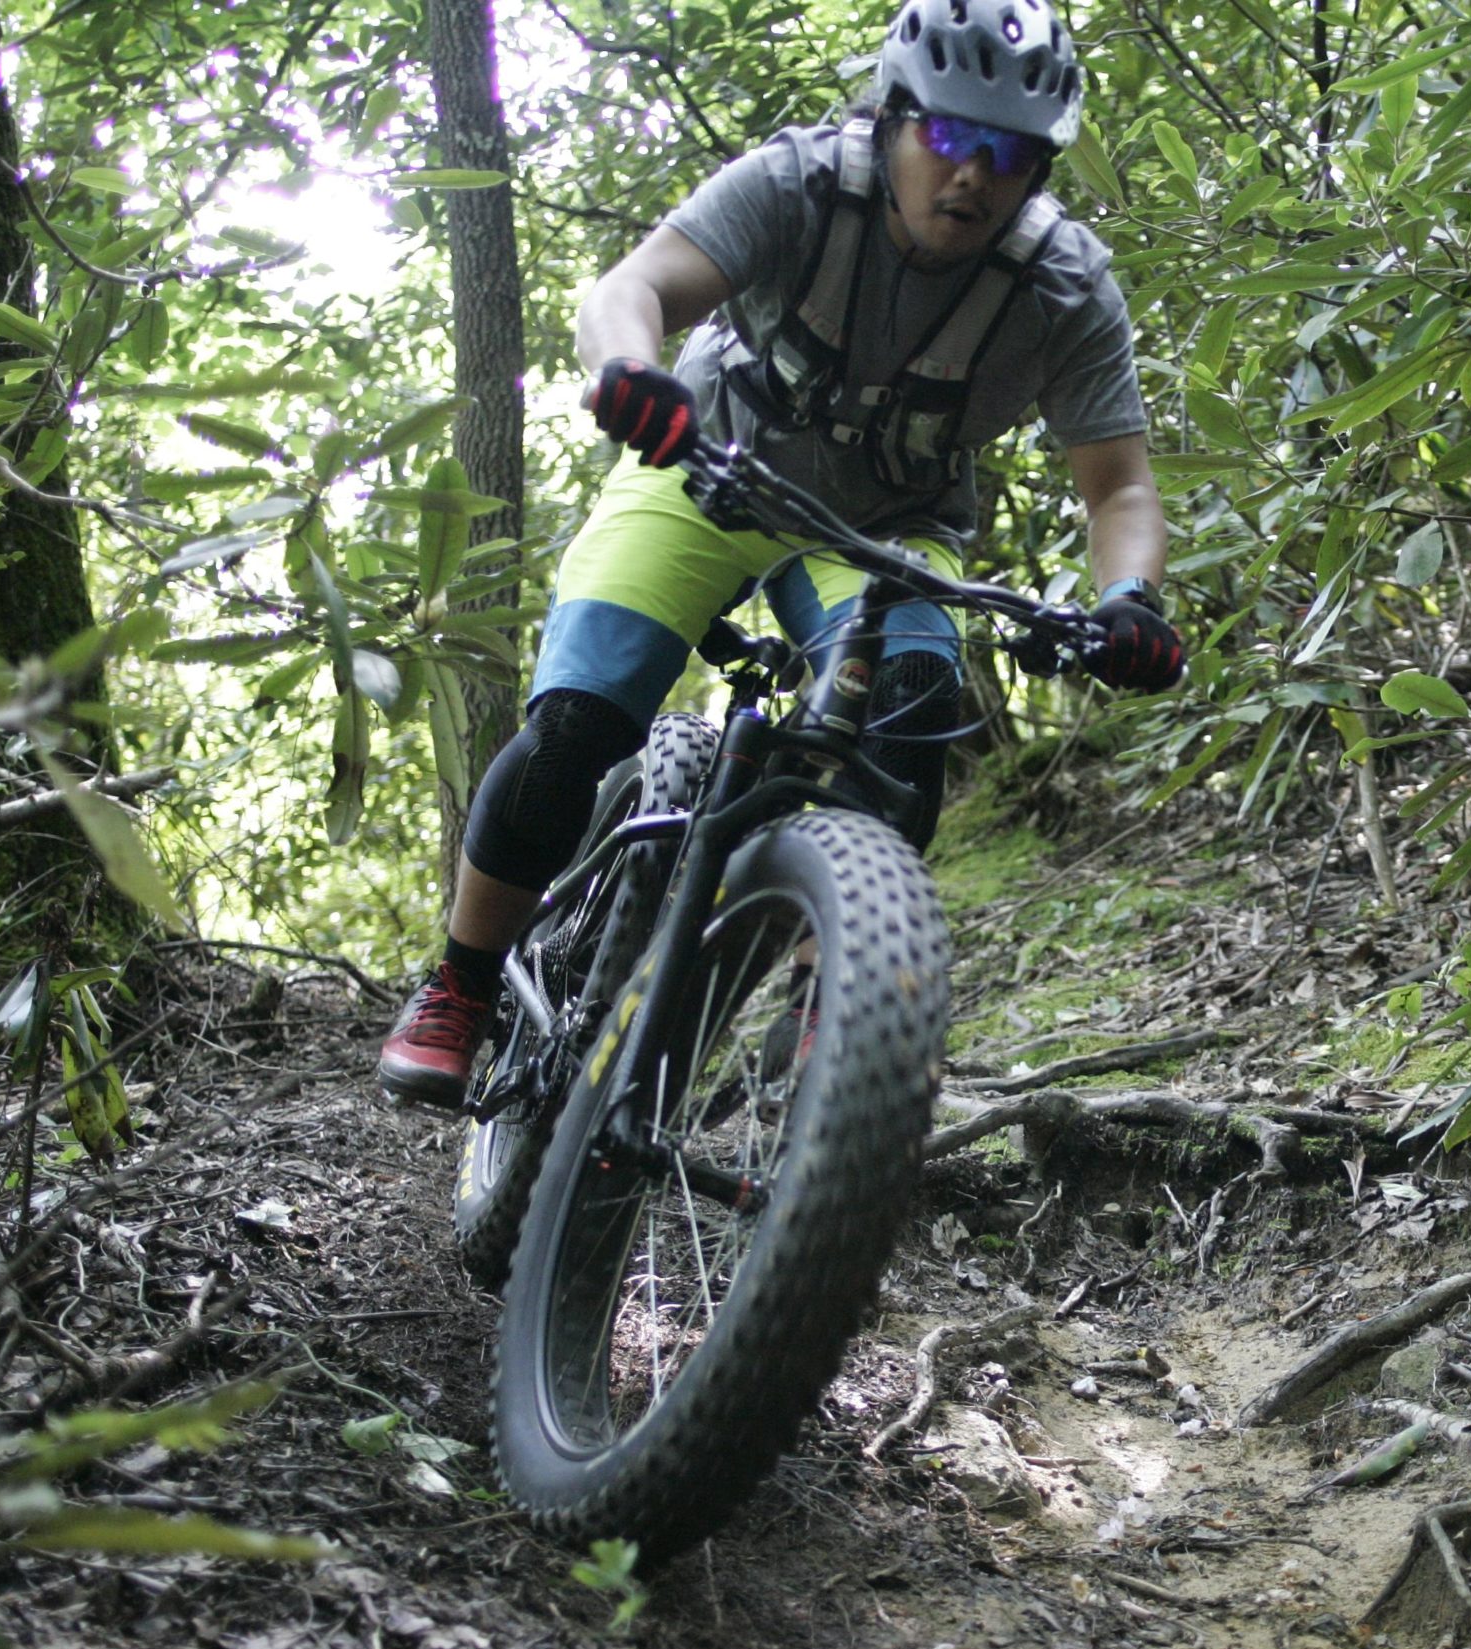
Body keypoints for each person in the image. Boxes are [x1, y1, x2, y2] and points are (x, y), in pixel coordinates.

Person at [377, 0, 1183, 1108]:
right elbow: (635, 289)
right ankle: (462, 985)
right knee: (574, 726)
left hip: (881, 529)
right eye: (948, 137)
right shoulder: (799, 183)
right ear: (894, 120)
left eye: (1009, 156)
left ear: (1040, 169)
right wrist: (632, 372)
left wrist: (1129, 598)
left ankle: (830, 1008)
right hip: (706, 472)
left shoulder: (1062, 285)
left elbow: (1121, 485)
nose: (971, 178)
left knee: (909, 698)